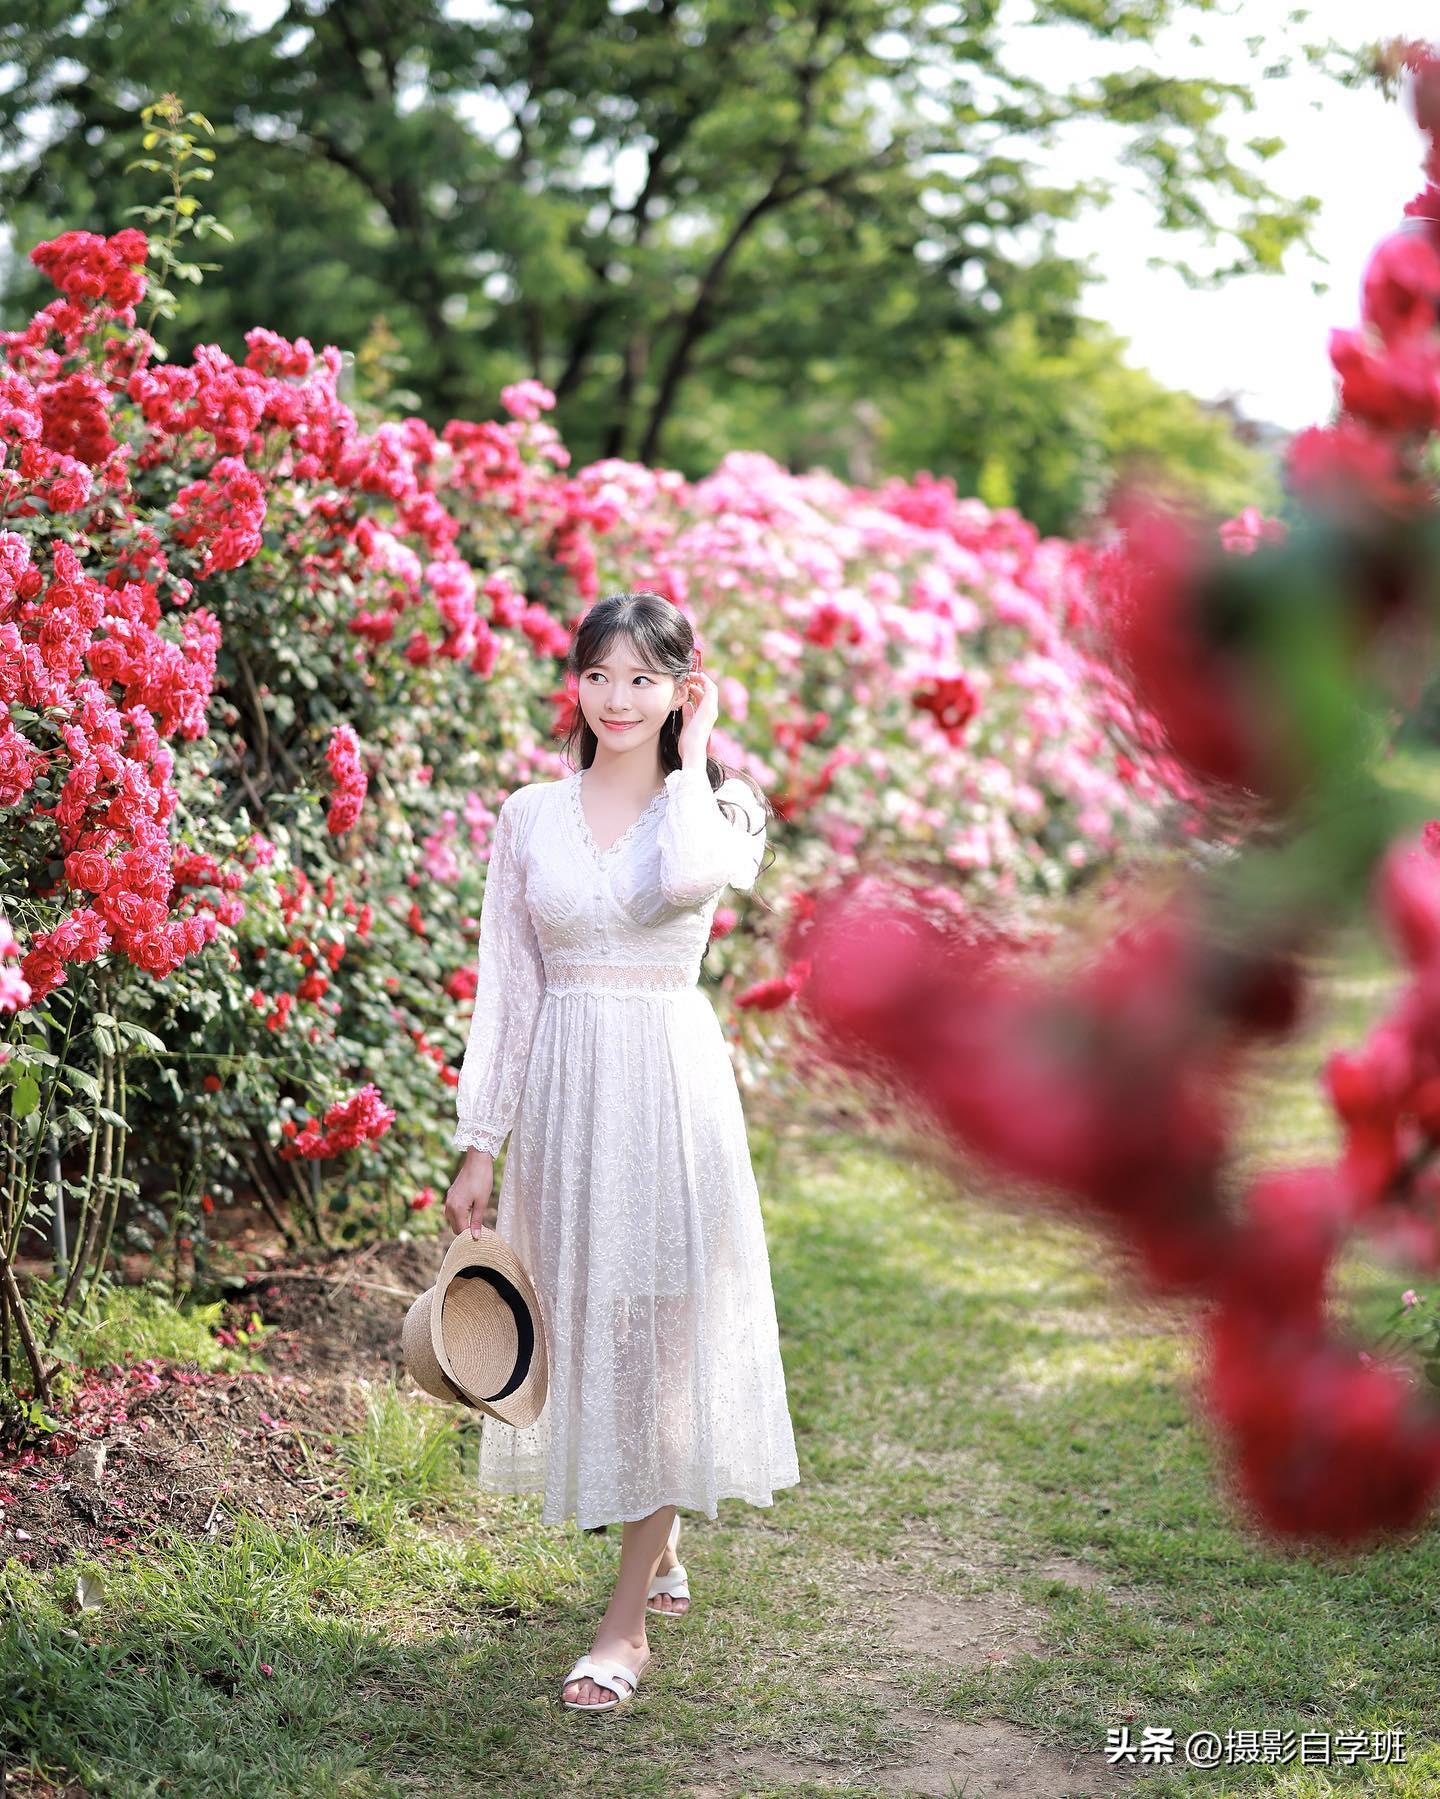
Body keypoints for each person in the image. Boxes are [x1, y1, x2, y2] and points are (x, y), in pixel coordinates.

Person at [443, 588, 801, 1712]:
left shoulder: (723, 810)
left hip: (670, 1084)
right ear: (577, 684)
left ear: (683, 688)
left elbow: (680, 881)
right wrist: (477, 1139)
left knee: (661, 1339)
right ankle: (662, 1534)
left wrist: (693, 752)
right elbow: (509, 988)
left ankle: (625, 1623)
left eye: (646, 677)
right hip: (565, 1094)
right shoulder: (528, 817)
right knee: (596, 1325)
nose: (618, 697)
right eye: (600, 674)